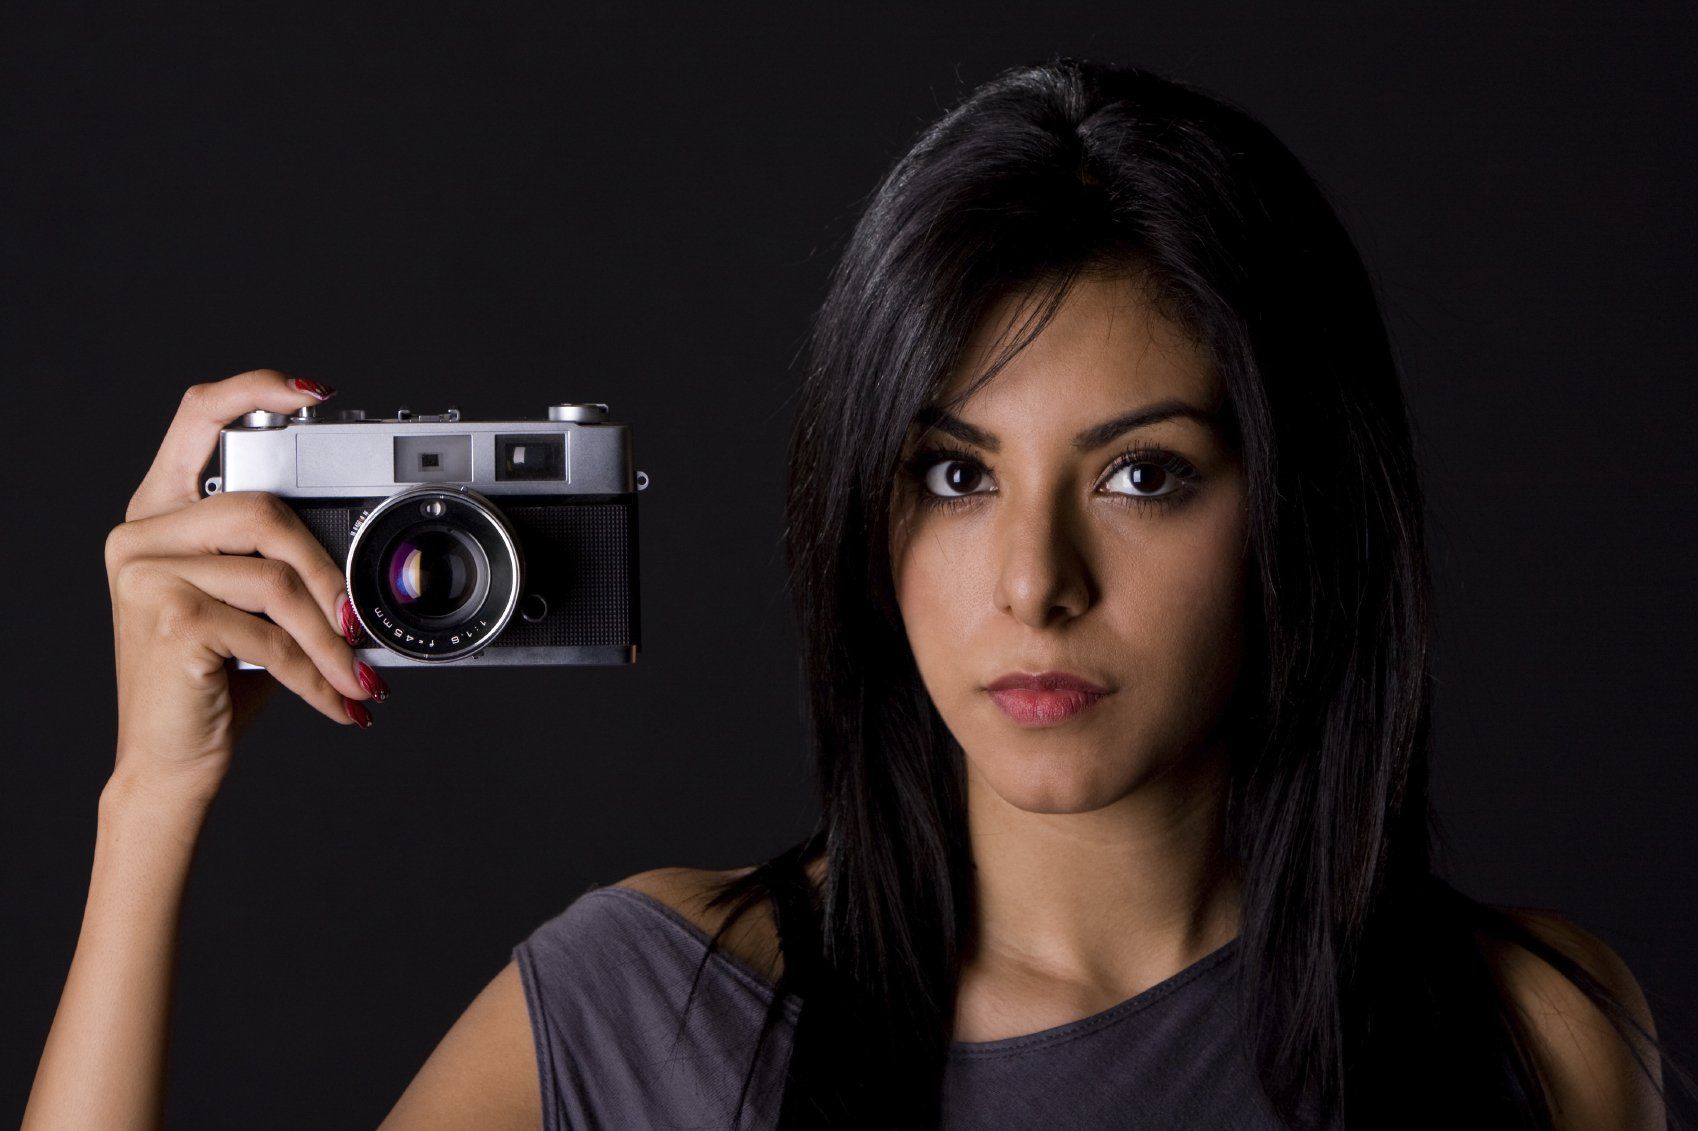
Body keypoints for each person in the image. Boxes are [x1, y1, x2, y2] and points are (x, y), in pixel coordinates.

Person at [23, 57, 1685, 1131]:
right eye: (952, 476)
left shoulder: (1527, 1042)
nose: (1032, 583)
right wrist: (149, 802)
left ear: (1296, 510)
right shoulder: (647, 1015)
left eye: (1142, 474)